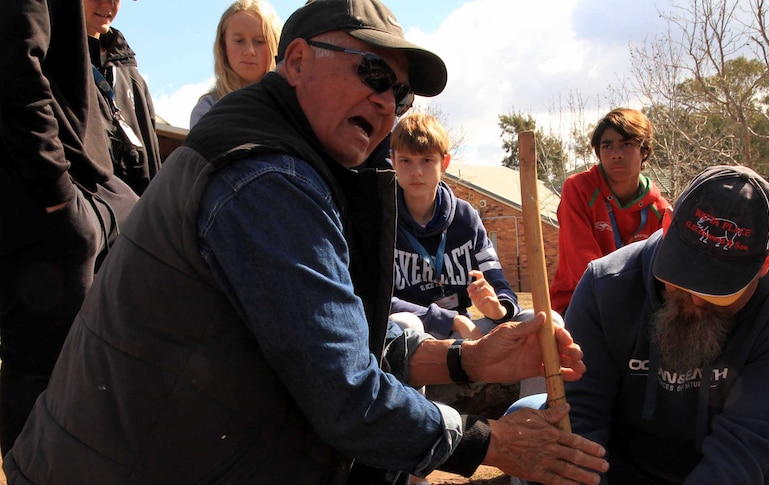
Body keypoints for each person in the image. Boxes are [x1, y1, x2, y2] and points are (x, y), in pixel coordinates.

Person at [3, 1, 608, 484]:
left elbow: (333, 333)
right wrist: (493, 442)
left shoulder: (297, 166)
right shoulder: (266, 179)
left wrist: (465, 358)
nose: (384, 101)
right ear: (294, 61)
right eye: (372, 73)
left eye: (399, 95)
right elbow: (346, 392)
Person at [512, 165, 769, 484]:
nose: (695, 298)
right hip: (620, 455)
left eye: (719, 288)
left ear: (767, 262)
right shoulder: (604, 285)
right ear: (666, 225)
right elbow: (584, 419)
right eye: (684, 275)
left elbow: (742, 451)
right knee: (526, 417)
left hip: (745, 467)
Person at [0, 0, 139, 455]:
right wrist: (57, 193)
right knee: (49, 382)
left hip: (80, 196)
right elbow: (14, 62)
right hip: (49, 205)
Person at [389, 113, 523, 341]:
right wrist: (449, 320)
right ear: (393, 161)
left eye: (427, 160)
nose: (416, 171)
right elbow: (379, 300)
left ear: (445, 163)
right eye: (405, 161)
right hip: (419, 329)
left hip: (465, 328)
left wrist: (498, 309)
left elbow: (499, 284)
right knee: (402, 324)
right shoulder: (382, 219)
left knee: (544, 322)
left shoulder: (466, 218)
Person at [549, 108, 671, 315]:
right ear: (598, 152)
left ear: (644, 151)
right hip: (579, 301)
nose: (616, 154)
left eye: (627, 144)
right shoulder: (579, 189)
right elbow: (582, 264)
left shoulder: (660, 210)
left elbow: (661, 275)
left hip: (638, 309)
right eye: (607, 146)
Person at [86, 0, 161, 195]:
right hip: (86, 212)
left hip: (134, 217)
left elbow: (151, 160)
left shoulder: (131, 75)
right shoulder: (49, 63)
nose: (107, 3)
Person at [189, 0, 281, 128]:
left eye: (259, 41)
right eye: (239, 41)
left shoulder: (292, 106)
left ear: (274, 45)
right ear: (223, 45)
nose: (249, 51)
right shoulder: (207, 110)